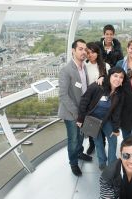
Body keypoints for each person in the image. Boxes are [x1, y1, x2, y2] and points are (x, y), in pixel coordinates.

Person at [77, 67, 126, 170]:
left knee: (113, 140)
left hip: (106, 119)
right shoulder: (97, 86)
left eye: (121, 77)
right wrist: (81, 119)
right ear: (109, 76)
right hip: (92, 119)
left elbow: (117, 112)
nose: (118, 79)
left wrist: (116, 129)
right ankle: (102, 161)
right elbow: (84, 101)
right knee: (98, 142)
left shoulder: (119, 93)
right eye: (115, 76)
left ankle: (112, 162)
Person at [58, 39, 92, 177]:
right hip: (71, 113)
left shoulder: (84, 67)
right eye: (80, 49)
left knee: (80, 136)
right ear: (73, 50)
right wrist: (77, 113)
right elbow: (63, 95)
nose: (84, 52)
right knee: (73, 139)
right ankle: (73, 163)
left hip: (82, 112)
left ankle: (79, 153)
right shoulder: (66, 70)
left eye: (85, 49)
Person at [85, 42, 110, 155]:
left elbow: (110, 83)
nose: (91, 55)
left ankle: (102, 143)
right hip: (89, 99)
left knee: (101, 123)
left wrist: (103, 78)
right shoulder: (84, 66)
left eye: (93, 52)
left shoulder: (105, 66)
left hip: (102, 100)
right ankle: (92, 144)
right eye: (88, 52)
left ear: (97, 53)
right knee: (91, 123)